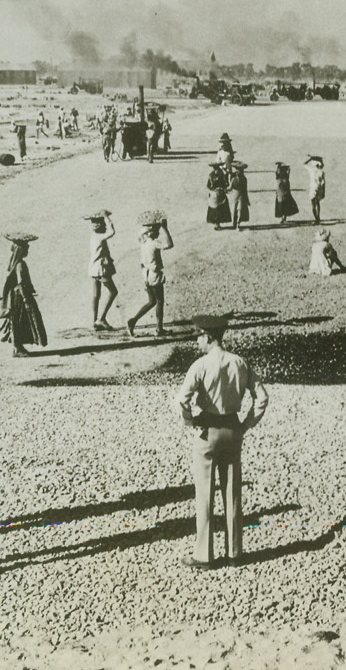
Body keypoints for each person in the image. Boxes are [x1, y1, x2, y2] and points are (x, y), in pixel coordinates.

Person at [174, 315, 268, 568]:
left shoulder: (201, 365)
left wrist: (190, 421)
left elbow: (182, 400)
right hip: (233, 428)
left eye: (199, 335)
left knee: (205, 493)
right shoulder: (240, 362)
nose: (197, 340)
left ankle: (204, 555)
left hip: (207, 430)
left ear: (208, 337)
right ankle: (235, 552)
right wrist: (246, 424)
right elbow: (262, 397)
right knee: (232, 491)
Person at [0, 234, 46, 357]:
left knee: (16, 322)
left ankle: (17, 347)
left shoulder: (14, 263)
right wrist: (26, 300)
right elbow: (21, 283)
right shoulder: (20, 265)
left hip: (15, 296)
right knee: (19, 322)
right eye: (26, 248)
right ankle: (17, 348)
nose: (28, 250)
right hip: (20, 297)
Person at [127, 216, 174, 338]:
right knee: (159, 301)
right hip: (154, 274)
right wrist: (165, 228)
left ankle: (133, 321)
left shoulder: (143, 243)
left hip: (146, 274)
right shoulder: (154, 243)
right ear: (151, 232)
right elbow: (170, 244)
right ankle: (159, 328)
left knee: (151, 301)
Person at [87, 211, 118, 330]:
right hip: (101, 269)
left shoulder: (93, 236)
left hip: (94, 268)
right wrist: (106, 217)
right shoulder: (99, 236)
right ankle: (101, 319)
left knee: (96, 295)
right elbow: (112, 232)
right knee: (113, 292)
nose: (105, 226)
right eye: (103, 224)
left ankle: (94, 321)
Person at [206, 163, 230, 230]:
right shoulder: (211, 175)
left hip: (220, 193)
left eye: (217, 169)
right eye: (215, 169)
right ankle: (216, 223)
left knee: (219, 209)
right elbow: (208, 185)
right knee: (215, 209)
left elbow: (226, 184)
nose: (216, 170)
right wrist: (213, 189)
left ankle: (218, 223)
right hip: (214, 194)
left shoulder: (222, 174)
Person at [228, 162, 250, 231]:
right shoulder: (233, 178)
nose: (238, 172)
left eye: (240, 170)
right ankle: (234, 223)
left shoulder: (244, 179)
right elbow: (230, 187)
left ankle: (238, 224)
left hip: (241, 195)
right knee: (234, 209)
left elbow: (245, 189)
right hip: (235, 194)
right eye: (237, 170)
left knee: (240, 209)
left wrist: (247, 199)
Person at [304, 156, 326, 224]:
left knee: (313, 204)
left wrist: (310, 159)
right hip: (319, 189)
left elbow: (304, 164)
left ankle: (317, 218)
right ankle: (318, 217)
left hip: (313, 189)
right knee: (317, 203)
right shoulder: (322, 172)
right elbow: (323, 183)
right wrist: (323, 191)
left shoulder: (312, 170)